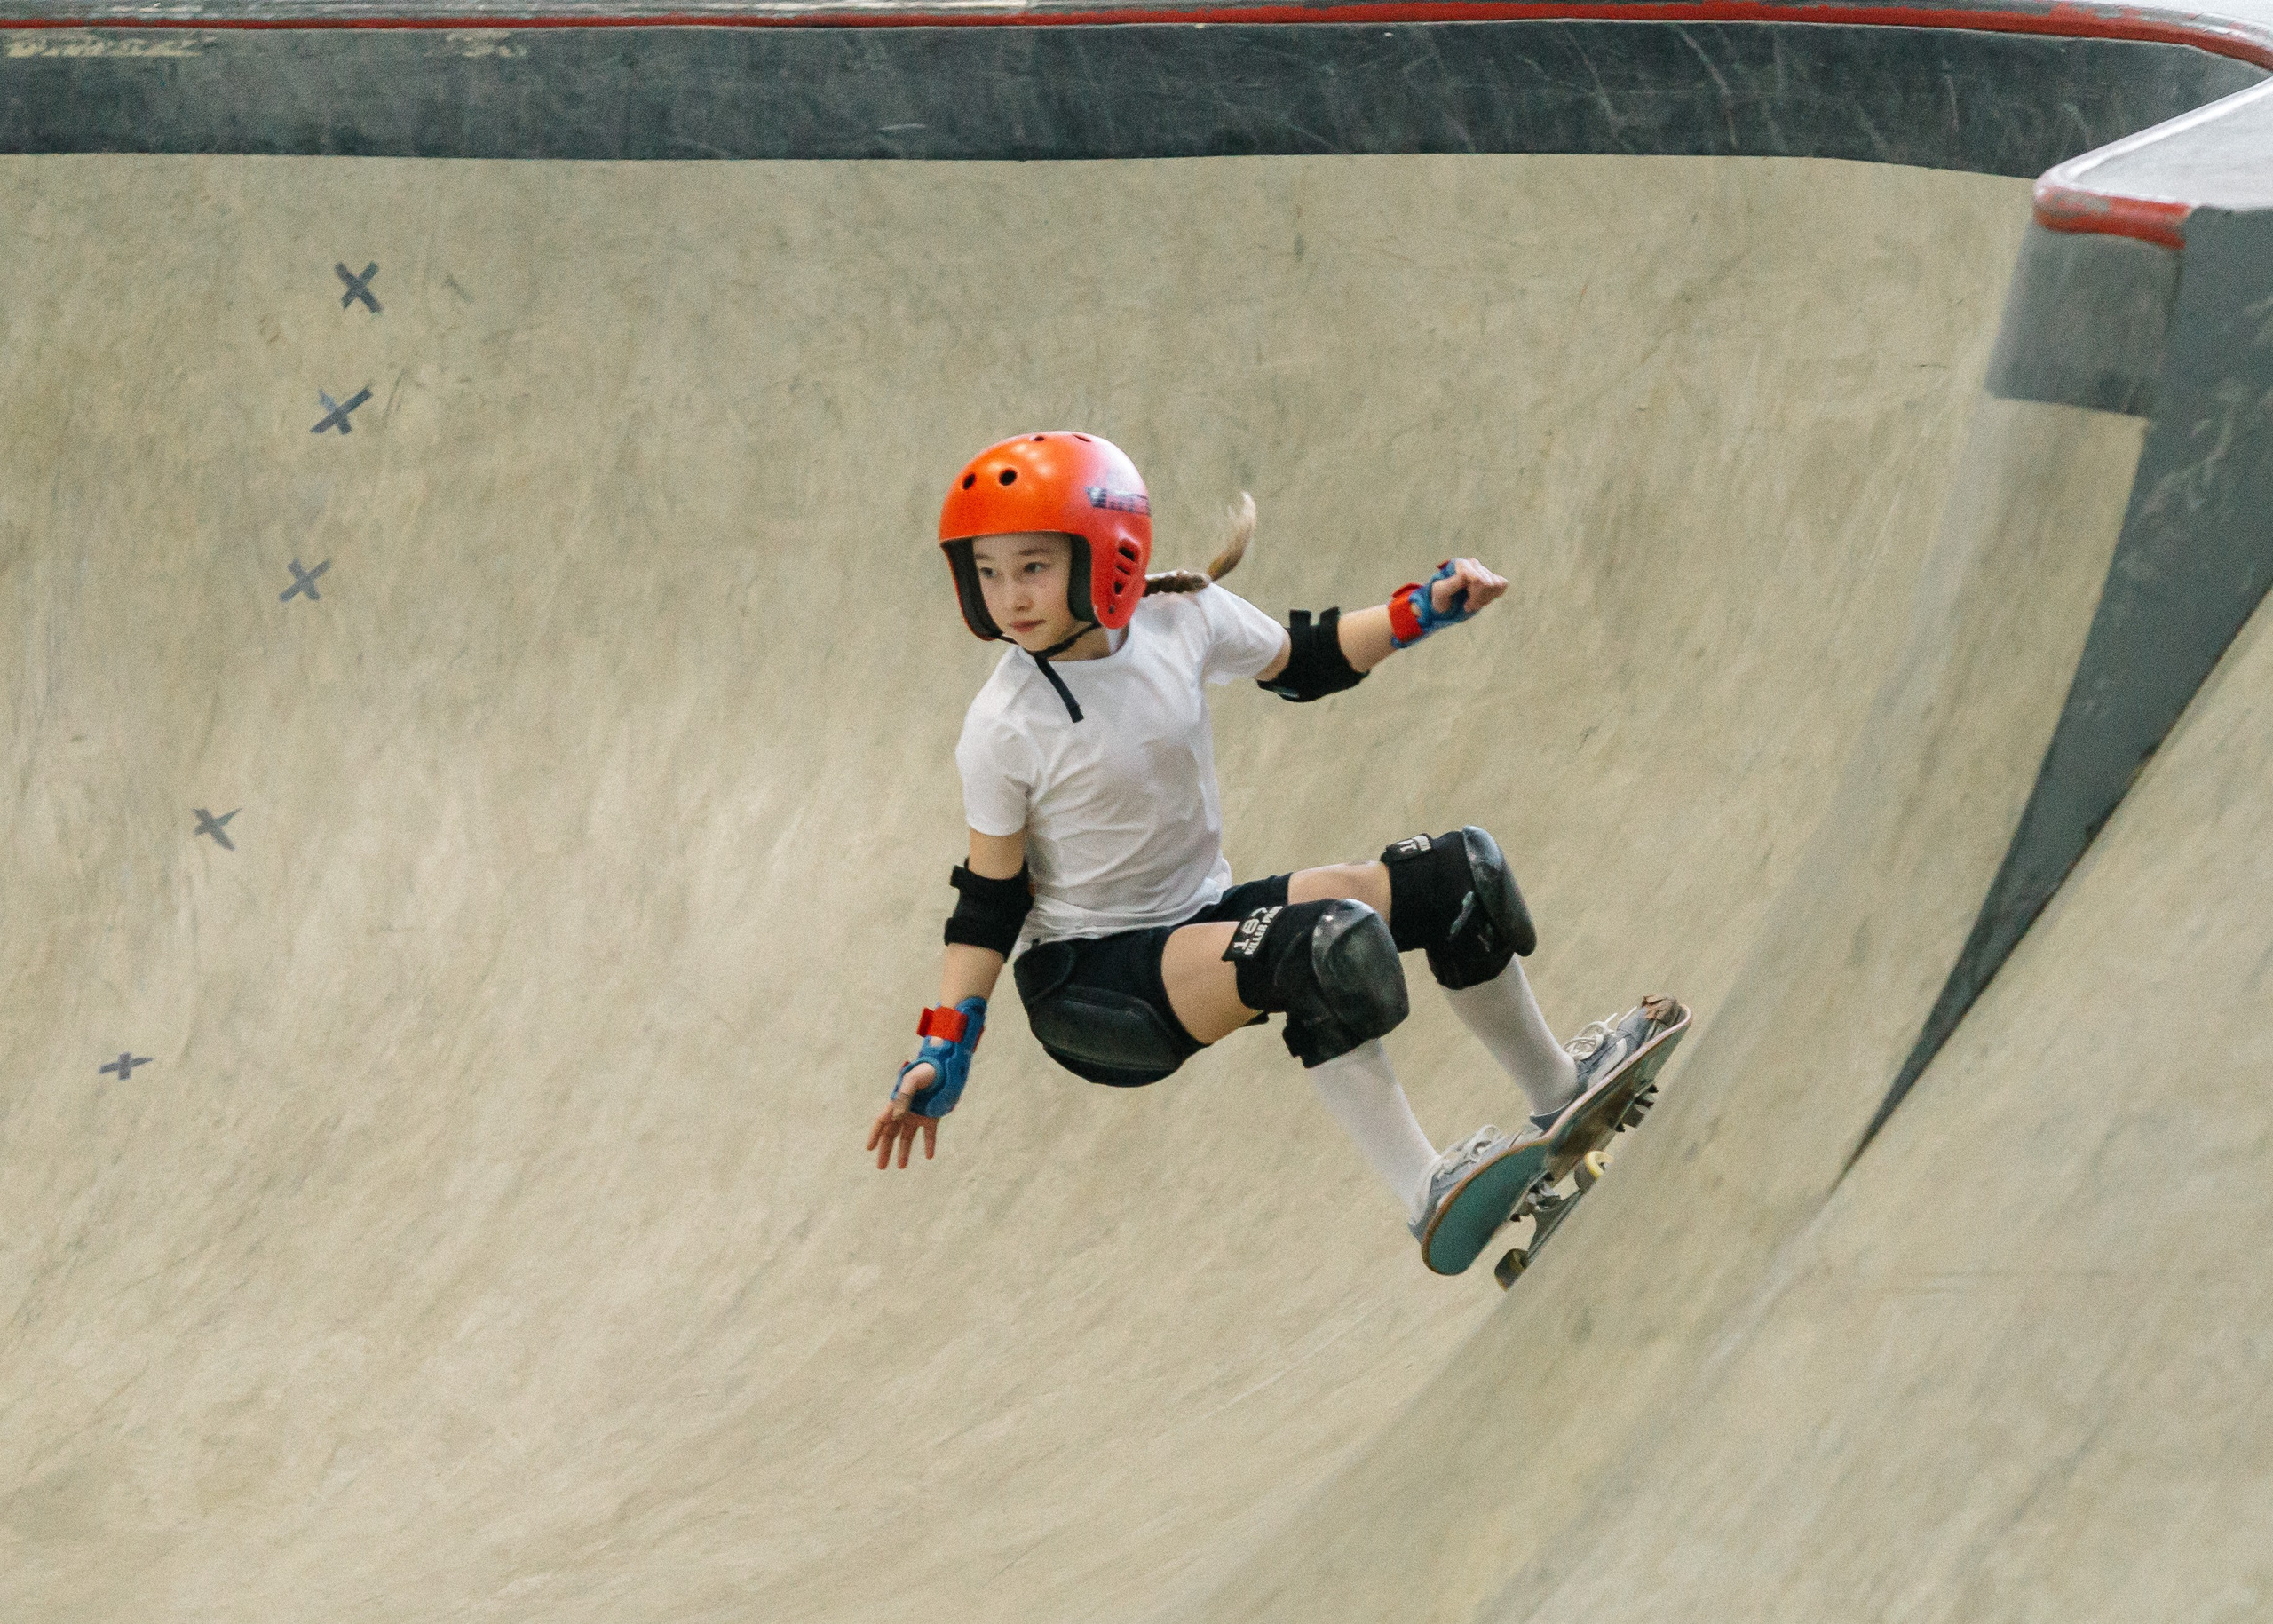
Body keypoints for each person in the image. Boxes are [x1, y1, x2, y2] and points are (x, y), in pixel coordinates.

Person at [865, 431, 1676, 1273]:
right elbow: (988, 902)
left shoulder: (1180, 618)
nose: (1009, 598)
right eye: (986, 572)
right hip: (1092, 980)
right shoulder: (1002, 726)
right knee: (1323, 949)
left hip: (1198, 919)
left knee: (1457, 878)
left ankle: (1562, 1093)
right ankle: (1426, 1189)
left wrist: (1422, 609)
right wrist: (944, 1044)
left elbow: (1308, 658)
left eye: (1032, 566)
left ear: (1107, 552)